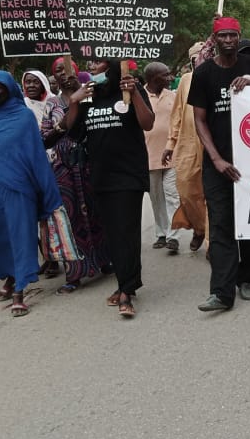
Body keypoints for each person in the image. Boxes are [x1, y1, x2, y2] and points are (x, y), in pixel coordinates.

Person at [190, 18, 250, 312]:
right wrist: (216, 159)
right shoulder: (203, 74)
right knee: (222, 225)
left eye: (233, 35)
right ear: (214, 38)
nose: (228, 40)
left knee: (249, 222)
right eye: (222, 35)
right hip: (218, 163)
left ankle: (246, 278)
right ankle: (222, 293)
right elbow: (199, 120)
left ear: (239, 38)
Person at [0, 72, 62, 317]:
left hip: (19, 186)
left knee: (20, 234)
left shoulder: (23, 117)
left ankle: (20, 288)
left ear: (9, 89)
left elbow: (35, 154)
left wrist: (45, 187)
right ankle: (9, 275)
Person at [71, 60, 154, 318]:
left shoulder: (130, 89)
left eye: (99, 63)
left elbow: (147, 122)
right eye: (92, 63)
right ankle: (129, 282)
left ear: (114, 67)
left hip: (128, 175)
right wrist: (74, 100)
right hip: (100, 176)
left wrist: (136, 93)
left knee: (126, 232)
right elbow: (73, 132)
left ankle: (126, 291)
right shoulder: (89, 96)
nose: (93, 67)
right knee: (114, 235)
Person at [41, 60, 111, 294]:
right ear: (54, 77)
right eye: (59, 70)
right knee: (69, 218)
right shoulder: (52, 104)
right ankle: (74, 272)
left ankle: (104, 259)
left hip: (92, 162)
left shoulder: (93, 94)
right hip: (64, 168)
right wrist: (71, 107)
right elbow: (45, 138)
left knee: (99, 212)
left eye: (69, 68)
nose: (65, 74)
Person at [162, 42, 209, 254]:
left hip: (213, 146)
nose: (199, 62)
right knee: (188, 192)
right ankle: (199, 228)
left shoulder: (218, 76)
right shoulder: (186, 81)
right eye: (195, 59)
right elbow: (178, 113)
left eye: (204, 57)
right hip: (189, 144)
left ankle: (211, 242)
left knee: (212, 196)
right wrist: (171, 143)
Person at [141, 61, 181, 253]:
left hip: (171, 153)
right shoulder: (138, 96)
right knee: (156, 198)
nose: (169, 78)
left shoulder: (172, 96)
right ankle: (161, 234)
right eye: (165, 75)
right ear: (152, 78)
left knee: (173, 196)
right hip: (148, 156)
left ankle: (174, 236)